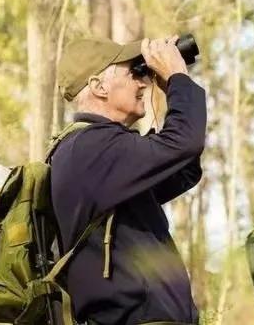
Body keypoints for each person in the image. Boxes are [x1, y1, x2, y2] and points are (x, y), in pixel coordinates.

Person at [50, 35, 206, 325]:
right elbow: (185, 143)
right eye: (134, 72)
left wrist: (167, 91)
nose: (143, 82)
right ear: (99, 86)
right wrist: (178, 79)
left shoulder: (96, 150)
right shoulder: (89, 147)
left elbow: (181, 168)